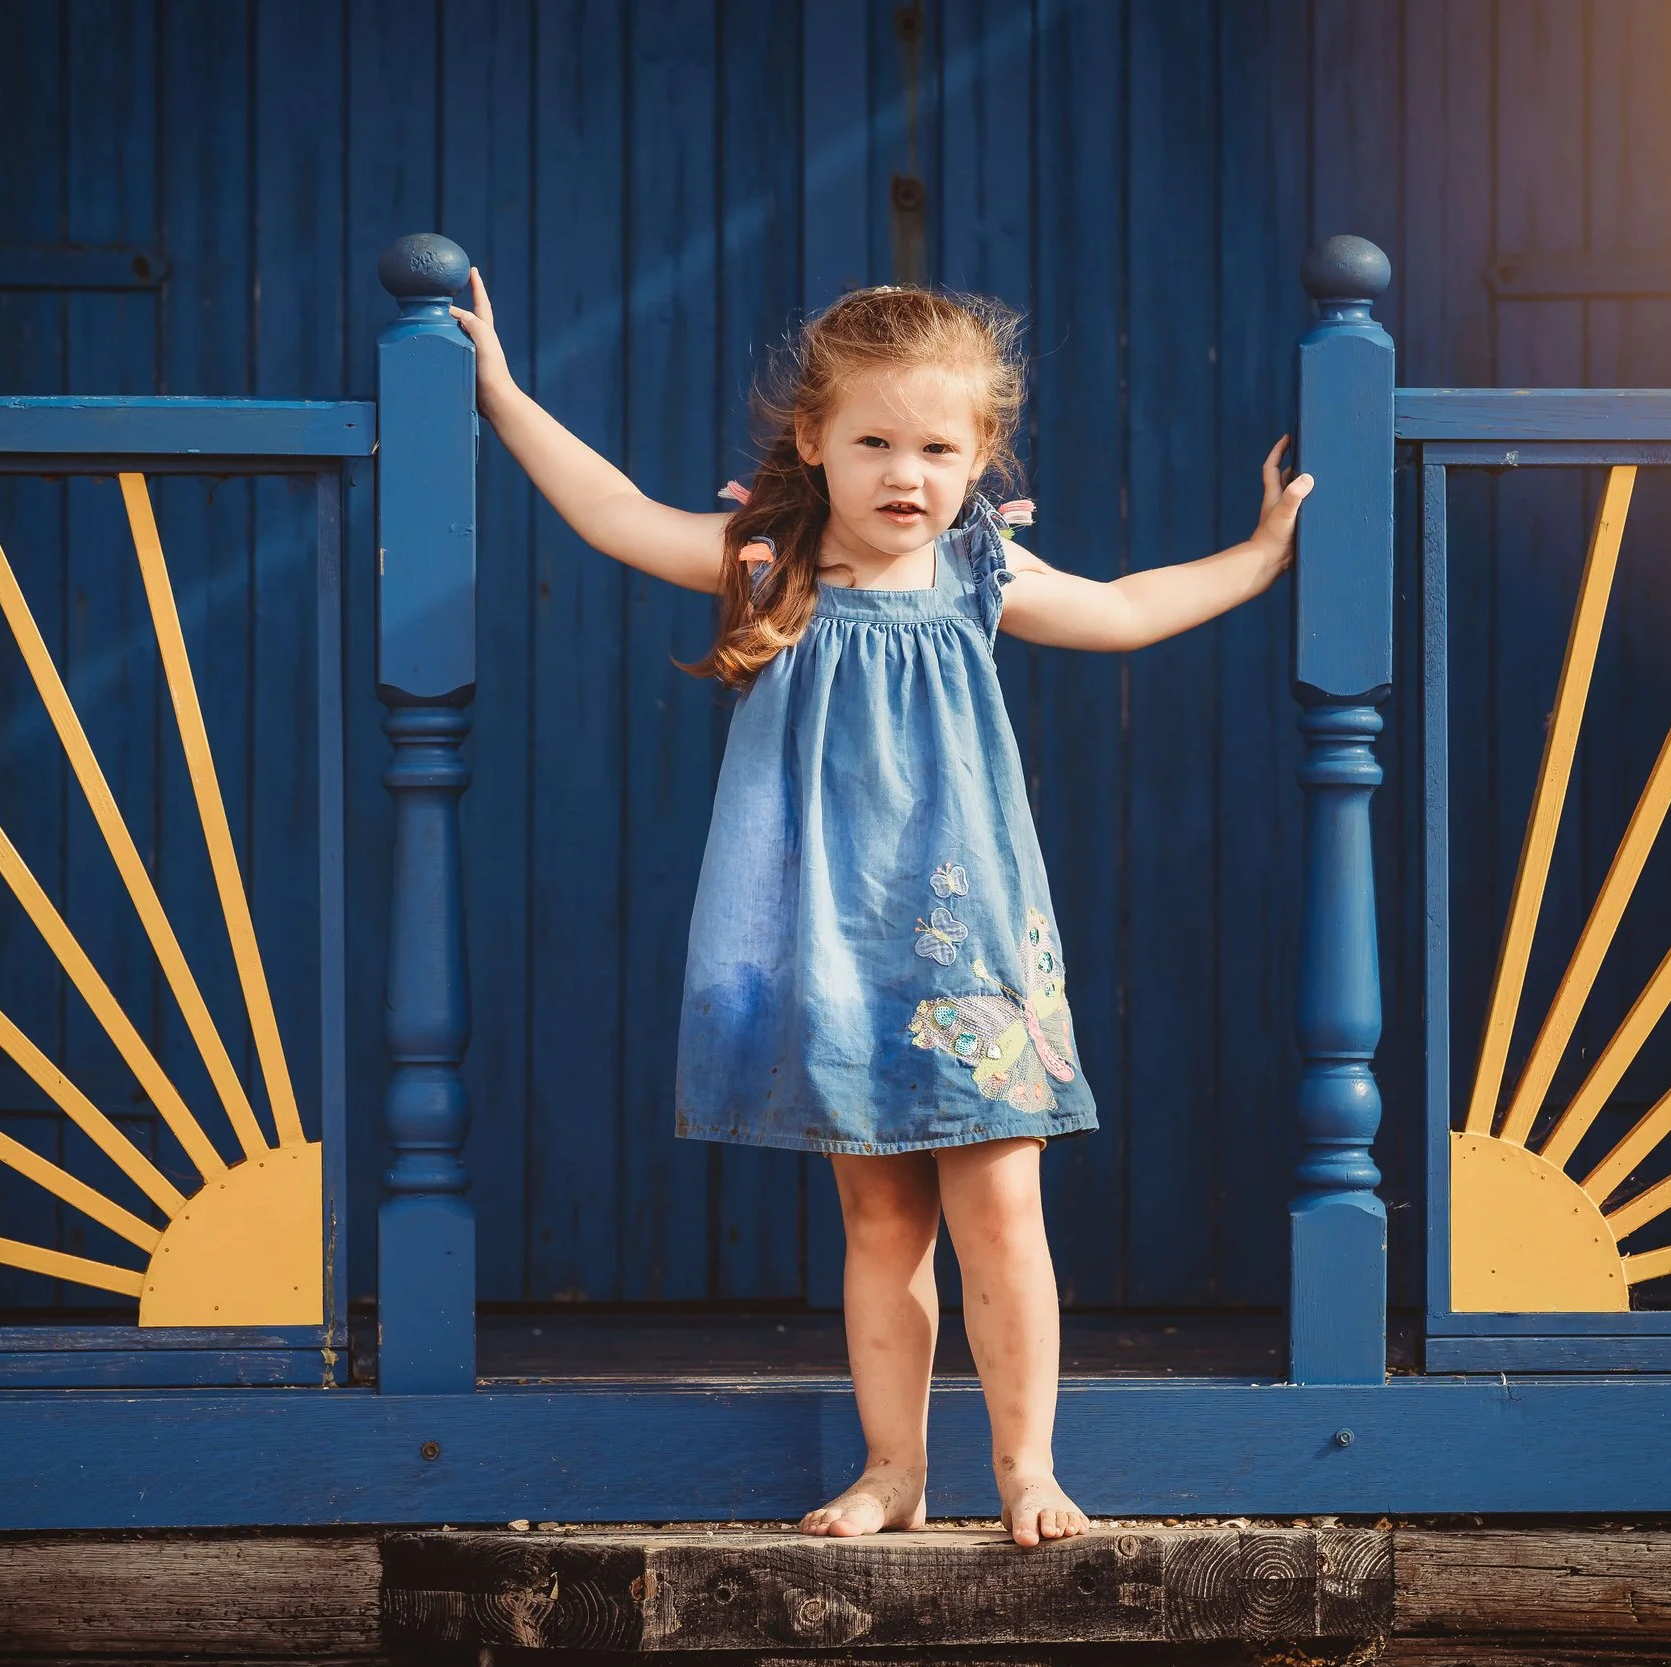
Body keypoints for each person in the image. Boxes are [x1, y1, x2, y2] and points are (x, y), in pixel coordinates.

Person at [453, 272, 1311, 1547]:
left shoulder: (980, 572)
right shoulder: (770, 562)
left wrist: (1256, 558)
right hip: (835, 945)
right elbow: (613, 512)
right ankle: (892, 1469)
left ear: (977, 459)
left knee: (1000, 1205)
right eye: (873, 441)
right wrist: (504, 396)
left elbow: (1127, 611)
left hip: (967, 942)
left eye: (936, 448)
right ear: (812, 441)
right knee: (879, 1215)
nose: (904, 473)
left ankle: (1026, 1467)